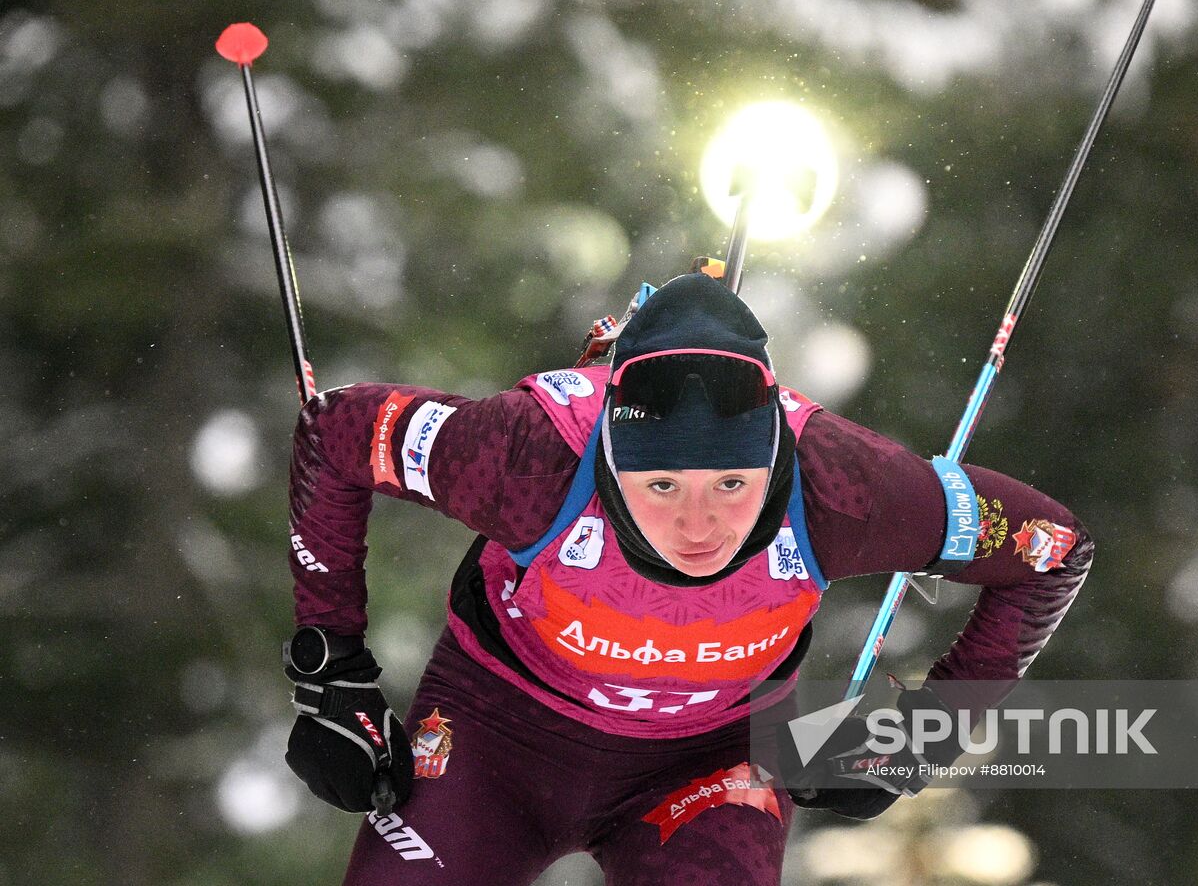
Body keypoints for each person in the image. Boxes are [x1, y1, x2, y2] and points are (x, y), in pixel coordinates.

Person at [280, 272, 1094, 885]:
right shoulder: (526, 455)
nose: (698, 527)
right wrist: (331, 668)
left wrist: (921, 738)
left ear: (775, 457)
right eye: (662, 487)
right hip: (495, 738)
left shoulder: (847, 487)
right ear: (608, 460)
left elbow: (1053, 549)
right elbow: (337, 431)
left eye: (732, 486)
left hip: (712, 761)